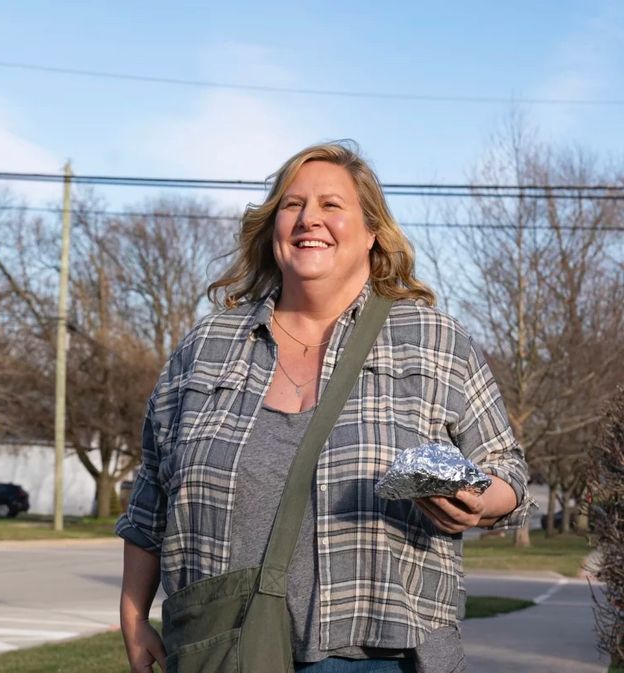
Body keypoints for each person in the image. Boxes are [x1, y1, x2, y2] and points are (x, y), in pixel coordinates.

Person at [117, 140, 532, 673]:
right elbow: (152, 494)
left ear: (372, 232)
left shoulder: (433, 340)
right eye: (292, 204)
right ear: (273, 227)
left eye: (331, 205)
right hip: (222, 651)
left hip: (383, 658)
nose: (309, 218)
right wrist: (133, 613)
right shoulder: (207, 346)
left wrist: (480, 501)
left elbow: (507, 471)